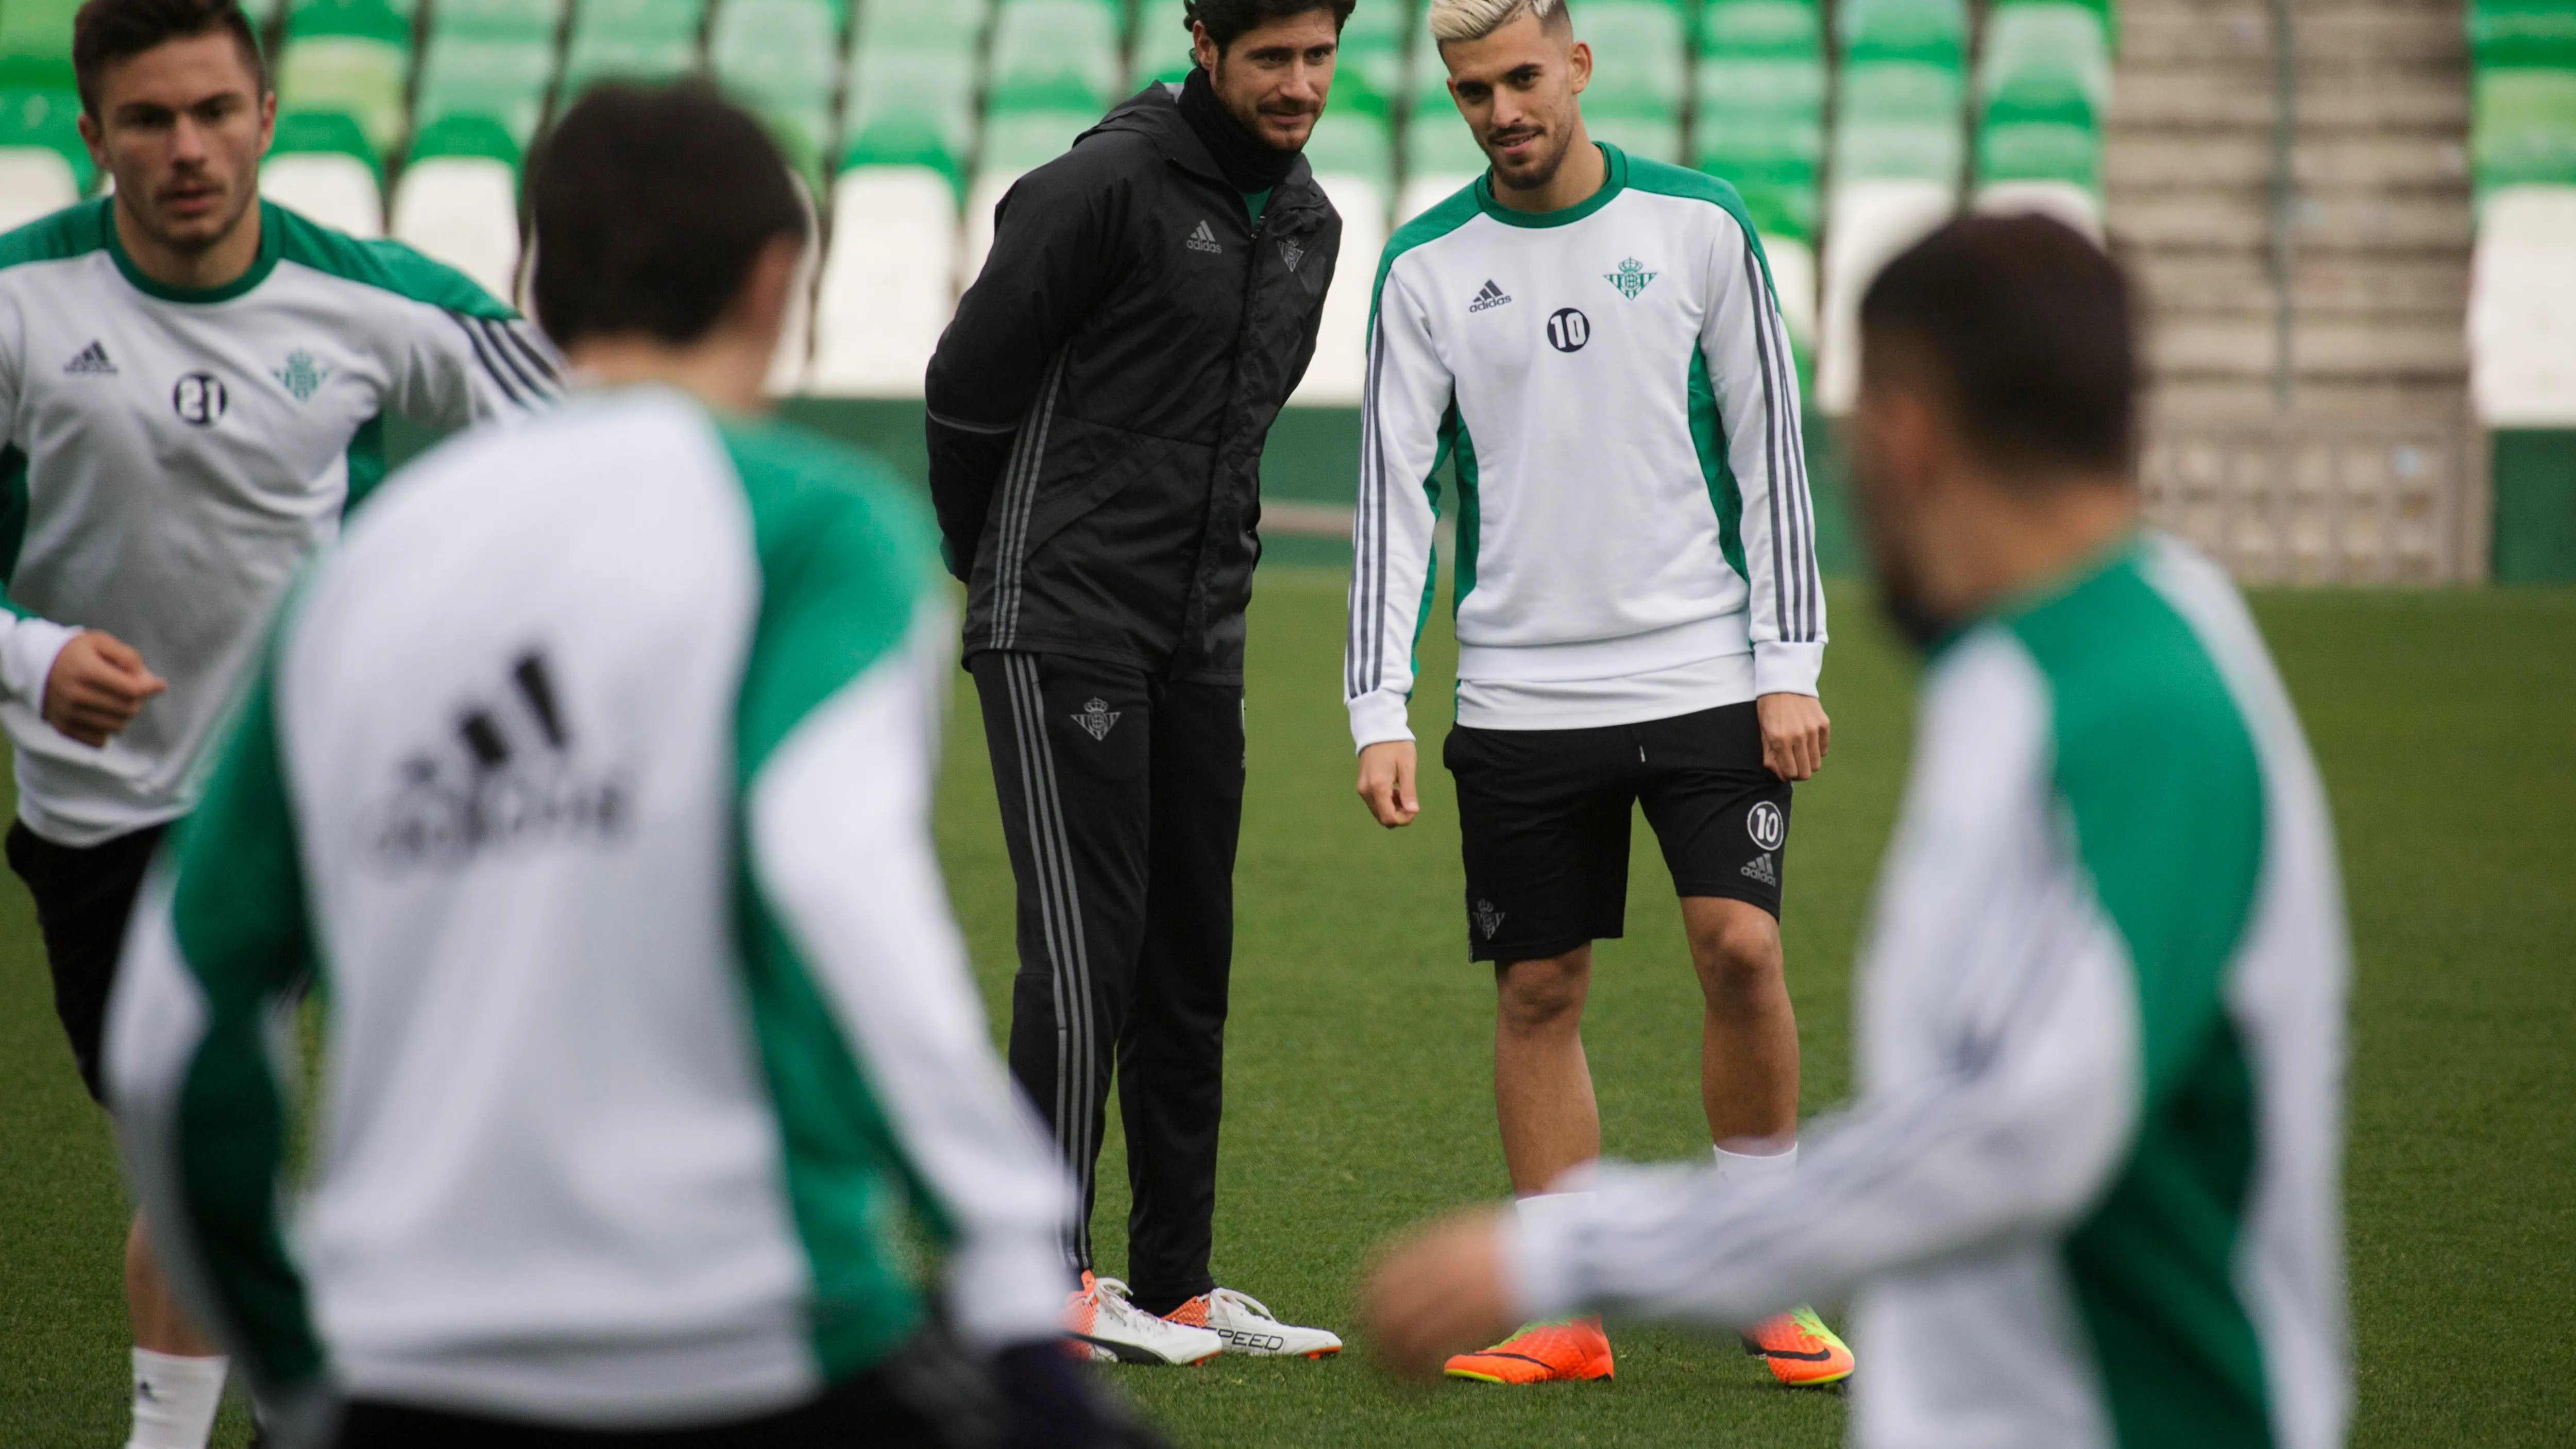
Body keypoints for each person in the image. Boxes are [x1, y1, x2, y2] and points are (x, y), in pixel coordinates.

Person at [104, 82, 1143, 1449]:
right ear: (782, 282)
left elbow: (174, 1030)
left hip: (405, 1364)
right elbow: (837, 888)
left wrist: (302, 1371)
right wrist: (1014, 1277)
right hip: (751, 1346)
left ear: (535, 288)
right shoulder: (815, 530)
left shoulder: (359, 575)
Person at [1364, 213, 2354, 1449]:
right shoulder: (2022, 665)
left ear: (1904, 435)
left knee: (1741, 951)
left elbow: (2026, 1123)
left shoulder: (2133, 701)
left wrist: (1583, 1244)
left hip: (2133, 1415)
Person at [2, 1, 554, 1443]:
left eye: (214, 112)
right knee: (192, 1156)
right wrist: (30, 656)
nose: (186, 148)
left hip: (330, 794)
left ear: (265, 113)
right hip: (104, 811)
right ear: (92, 133)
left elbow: (575, 454)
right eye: (147, 120)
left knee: (349, 1132)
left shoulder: (388, 306)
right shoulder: (19, 303)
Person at [1345, 0, 1846, 1387]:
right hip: (1517, 694)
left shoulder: (1700, 226)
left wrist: (1786, 667)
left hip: (1703, 669)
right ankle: (1565, 1311)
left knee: (1739, 948)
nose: (1500, 111)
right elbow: (1393, 504)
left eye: (1519, 78)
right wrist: (1377, 707)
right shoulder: (1425, 267)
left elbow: (1775, 457)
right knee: (1537, 989)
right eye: (1469, 91)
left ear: (1576, 65)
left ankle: (1764, 1266)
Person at [923, 0, 1352, 1366]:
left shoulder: (1310, 227)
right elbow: (963, 387)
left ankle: (1174, 1285)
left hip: (1198, 637)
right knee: (1083, 950)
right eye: (1272, 58)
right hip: (1063, 619)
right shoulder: (1098, 188)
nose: (1298, 86)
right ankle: (1037, 1280)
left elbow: (1238, 435)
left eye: (1320, 58)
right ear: (1206, 48)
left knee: (1187, 960)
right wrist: (998, 567)